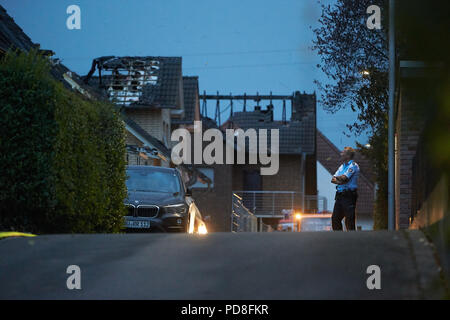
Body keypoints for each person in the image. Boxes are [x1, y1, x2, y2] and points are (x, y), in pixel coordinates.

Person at [331, 147, 360, 231]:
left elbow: (344, 178)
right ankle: (339, 239)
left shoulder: (353, 166)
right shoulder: (342, 166)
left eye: (343, 152)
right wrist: (340, 180)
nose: (341, 154)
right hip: (340, 196)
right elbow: (332, 179)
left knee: (349, 220)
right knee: (335, 219)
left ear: (348, 155)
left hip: (349, 196)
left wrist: (340, 179)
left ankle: (351, 240)